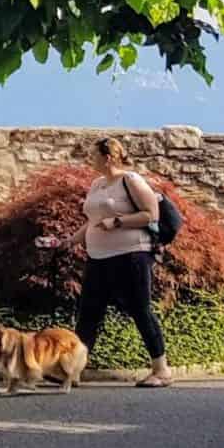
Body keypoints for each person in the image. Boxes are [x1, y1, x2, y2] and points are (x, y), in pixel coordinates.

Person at [74, 136, 174, 388]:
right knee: (88, 313)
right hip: (98, 258)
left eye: (93, 155)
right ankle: (72, 369)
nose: (89, 159)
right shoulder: (97, 184)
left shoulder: (131, 180)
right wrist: (68, 240)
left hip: (131, 256)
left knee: (140, 310)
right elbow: (92, 220)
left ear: (107, 157)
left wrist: (117, 222)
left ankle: (161, 370)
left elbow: (151, 214)